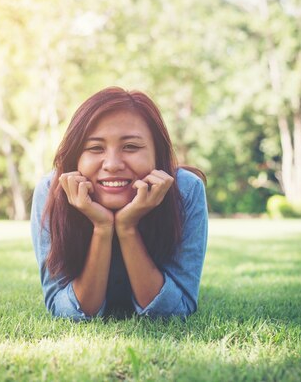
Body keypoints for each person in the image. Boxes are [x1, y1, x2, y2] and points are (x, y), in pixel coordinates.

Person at [30, 86, 208, 320]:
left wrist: (127, 227)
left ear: (158, 154)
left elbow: (174, 311)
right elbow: (65, 310)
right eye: (95, 148)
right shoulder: (52, 192)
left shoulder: (186, 190)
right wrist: (102, 228)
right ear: (76, 157)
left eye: (131, 147)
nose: (112, 164)